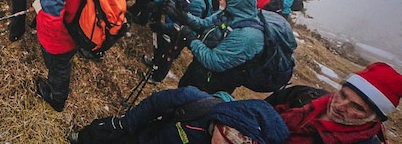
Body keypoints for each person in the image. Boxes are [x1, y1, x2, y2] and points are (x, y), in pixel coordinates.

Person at [71, 86, 288, 144]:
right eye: (229, 138)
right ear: (224, 122)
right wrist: (126, 123)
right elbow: (157, 103)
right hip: (146, 137)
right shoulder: (197, 101)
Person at [170, 0, 264, 94]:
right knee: (181, 91)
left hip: (213, 84)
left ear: (235, 0)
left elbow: (214, 61)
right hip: (199, 67)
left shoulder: (247, 35)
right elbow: (205, 24)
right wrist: (183, 16)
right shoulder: (227, 11)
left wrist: (191, 40)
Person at [267, 62, 402, 143]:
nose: (339, 106)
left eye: (356, 107)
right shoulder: (303, 95)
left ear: (376, 118)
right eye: (342, 94)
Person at [142, 0, 212, 82]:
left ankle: (157, 76)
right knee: (161, 45)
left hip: (181, 33)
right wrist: (155, 2)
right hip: (171, 22)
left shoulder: (196, 4)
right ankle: (155, 61)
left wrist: (163, 27)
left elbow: (186, 26)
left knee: (169, 53)